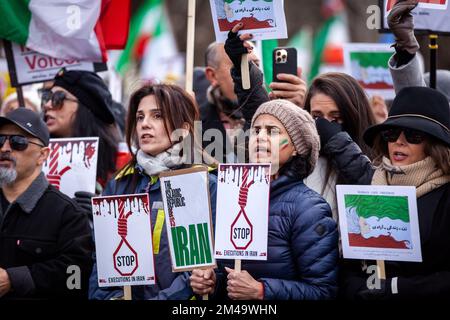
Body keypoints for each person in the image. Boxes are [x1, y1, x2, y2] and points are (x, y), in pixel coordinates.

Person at [222, 24, 375, 221]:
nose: (325, 126)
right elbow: (260, 112)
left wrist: (339, 143)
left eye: (335, 119)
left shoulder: (375, 162)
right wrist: (243, 64)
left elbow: (375, 194)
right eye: (317, 117)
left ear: (354, 117)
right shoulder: (296, 162)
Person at [190, 99, 339, 300]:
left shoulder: (310, 209)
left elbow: (324, 292)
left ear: (297, 147)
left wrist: (262, 291)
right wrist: (211, 282)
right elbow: (228, 276)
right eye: (256, 131)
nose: (260, 137)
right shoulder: (230, 196)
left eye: (272, 131)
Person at [89, 84, 217, 300]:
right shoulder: (119, 184)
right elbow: (102, 260)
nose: (144, 124)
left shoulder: (204, 185)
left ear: (184, 129)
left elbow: (201, 271)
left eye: (157, 116)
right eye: (139, 117)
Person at [341, 86, 450, 299]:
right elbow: (348, 265)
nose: (399, 141)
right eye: (391, 133)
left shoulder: (446, 195)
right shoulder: (368, 186)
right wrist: (359, 289)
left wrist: (395, 287)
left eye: (413, 135)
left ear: (433, 144)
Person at [0, 108, 93, 299]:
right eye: (0, 140)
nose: (4, 148)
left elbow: (76, 278)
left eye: (18, 142)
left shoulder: (68, 214)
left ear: (43, 155)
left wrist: (15, 279)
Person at [201, 36, 307, 163]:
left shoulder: (279, 117)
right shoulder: (193, 123)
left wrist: (298, 113)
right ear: (212, 75)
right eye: (239, 64)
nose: (251, 72)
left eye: (256, 65)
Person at [41, 69, 123, 190]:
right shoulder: (37, 156)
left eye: (58, 98)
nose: (47, 105)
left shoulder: (122, 162)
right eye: (47, 97)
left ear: (85, 107)